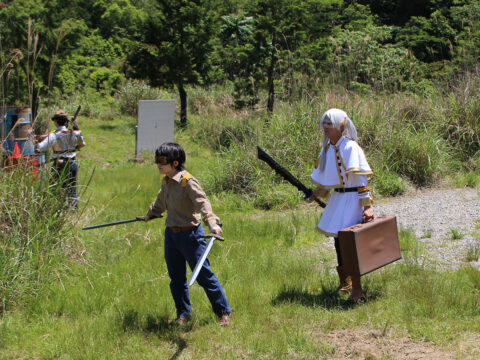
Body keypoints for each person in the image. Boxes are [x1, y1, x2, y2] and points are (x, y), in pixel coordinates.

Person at [143, 142, 232, 326]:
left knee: (203, 276)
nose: (158, 164)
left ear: (175, 163)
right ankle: (183, 314)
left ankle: (223, 312)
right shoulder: (166, 181)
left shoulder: (187, 181)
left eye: (162, 160)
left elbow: (203, 203)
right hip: (172, 236)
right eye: (156, 160)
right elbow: (160, 202)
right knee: (176, 278)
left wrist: (213, 225)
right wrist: (150, 214)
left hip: (191, 236)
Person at [310, 108, 373, 302]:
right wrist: (317, 193)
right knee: (339, 242)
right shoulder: (327, 148)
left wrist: (367, 206)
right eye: (324, 123)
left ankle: (358, 289)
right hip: (338, 199)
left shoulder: (350, 147)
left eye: (330, 123)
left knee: (351, 244)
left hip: (353, 199)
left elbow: (361, 181)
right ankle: (345, 283)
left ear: (341, 125)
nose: (325, 127)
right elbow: (329, 180)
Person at [35, 109, 86, 208]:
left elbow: (40, 147)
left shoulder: (54, 135)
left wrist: (34, 142)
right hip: (72, 163)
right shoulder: (74, 133)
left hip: (60, 164)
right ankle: (73, 212)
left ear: (56, 121)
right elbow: (82, 143)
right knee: (72, 190)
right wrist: (75, 147)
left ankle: (57, 209)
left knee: (55, 189)